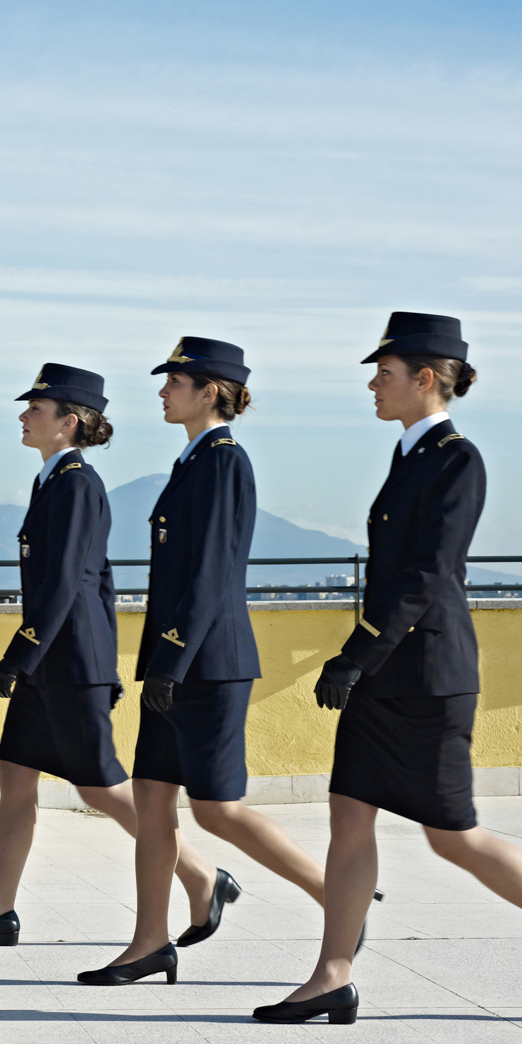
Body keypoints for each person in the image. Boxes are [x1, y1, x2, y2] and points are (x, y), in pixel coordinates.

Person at [255, 313, 522, 1024]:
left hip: (429, 677)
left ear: (425, 378)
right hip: (385, 675)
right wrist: (363, 661)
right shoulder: (408, 454)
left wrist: (354, 653)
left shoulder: (459, 459)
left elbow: (424, 577)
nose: (372, 384)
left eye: (384, 373)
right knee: (348, 814)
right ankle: (332, 972)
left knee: (451, 834)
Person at [0, 363, 217, 947]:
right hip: (50, 661)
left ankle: (204, 876)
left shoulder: (80, 484)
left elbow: (67, 584)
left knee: (101, 787)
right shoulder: (52, 481)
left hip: (68, 661)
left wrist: (21, 655)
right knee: (15, 778)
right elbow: (101, 581)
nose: (23, 416)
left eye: (35, 409)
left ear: (70, 422)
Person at [80, 339, 328, 986]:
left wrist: (176, 658)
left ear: (210, 391)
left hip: (209, 665)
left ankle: (340, 898)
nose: (163, 392)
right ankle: (148, 942)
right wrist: (163, 660)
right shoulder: (192, 462)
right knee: (153, 801)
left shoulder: (224, 463)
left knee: (217, 809)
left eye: (176, 382)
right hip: (174, 661)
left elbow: (212, 572)